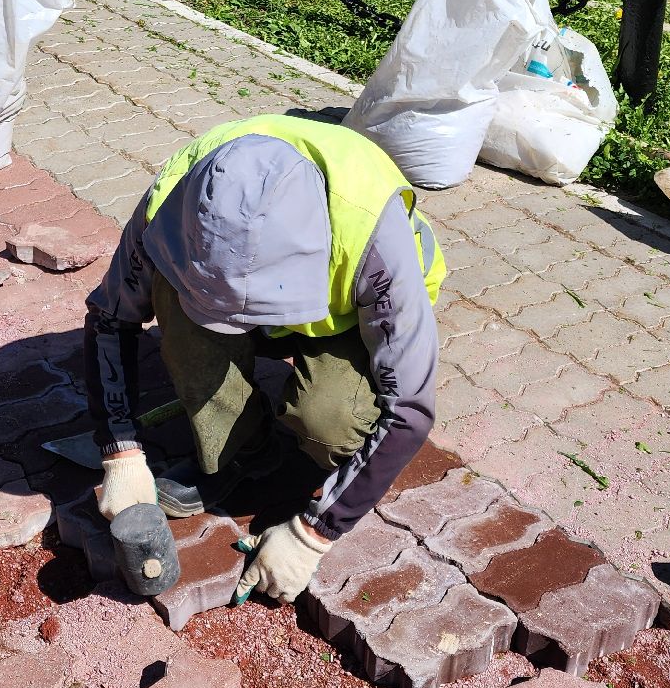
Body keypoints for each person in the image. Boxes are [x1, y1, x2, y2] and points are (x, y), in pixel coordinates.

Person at [83, 114, 445, 602]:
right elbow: (110, 317)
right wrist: (120, 452)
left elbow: (410, 411)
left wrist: (314, 533)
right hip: (252, 293)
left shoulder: (374, 238)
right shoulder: (174, 195)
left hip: (348, 319)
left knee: (331, 420)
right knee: (172, 297)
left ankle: (311, 469)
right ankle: (241, 454)